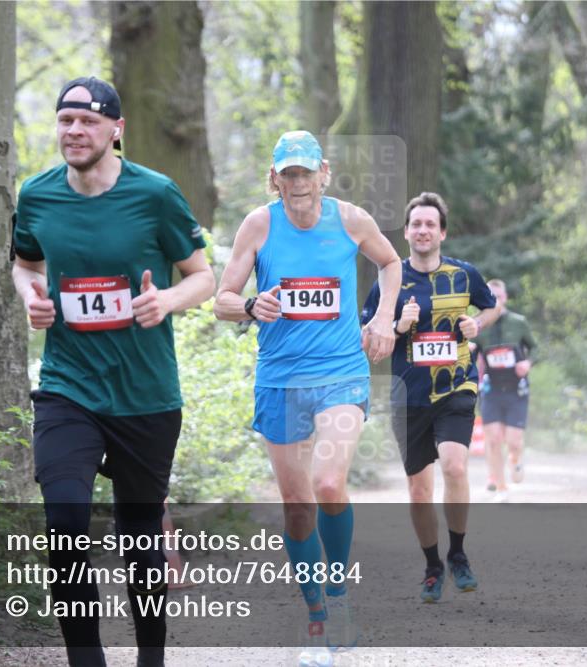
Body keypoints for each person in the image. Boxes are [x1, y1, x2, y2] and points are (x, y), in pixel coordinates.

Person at [11, 76, 215, 667]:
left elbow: (202, 275)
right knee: (65, 523)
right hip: (67, 388)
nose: (75, 131)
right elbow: (24, 265)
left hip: (145, 393)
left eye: (89, 121)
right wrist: (32, 295)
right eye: (66, 121)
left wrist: (166, 302)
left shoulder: (155, 194)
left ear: (116, 130)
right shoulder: (38, 195)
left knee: (141, 542)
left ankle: (151, 657)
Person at [214, 130, 400, 666]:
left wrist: (382, 318)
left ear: (325, 173)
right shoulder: (258, 224)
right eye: (287, 174)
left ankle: (338, 602)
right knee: (297, 508)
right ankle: (316, 613)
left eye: (305, 172)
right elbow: (222, 300)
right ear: (275, 179)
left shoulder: (350, 219)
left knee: (326, 483)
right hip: (280, 378)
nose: (298, 183)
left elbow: (391, 264)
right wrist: (251, 306)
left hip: (341, 371)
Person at [361, 192, 500, 603]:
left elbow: (489, 309)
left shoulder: (464, 275)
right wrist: (398, 325)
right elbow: (370, 342)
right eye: (416, 224)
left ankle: (457, 554)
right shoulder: (390, 281)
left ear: (442, 232)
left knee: (455, 466)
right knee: (419, 490)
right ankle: (432, 565)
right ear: (405, 233)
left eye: (430, 225)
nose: (423, 231)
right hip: (408, 396)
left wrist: (477, 324)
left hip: (456, 384)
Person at [476, 279, 538, 502]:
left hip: (516, 389)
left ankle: (515, 458)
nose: (496, 302)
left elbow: (535, 348)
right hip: (492, 389)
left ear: (506, 298)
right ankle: (501, 487)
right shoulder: (479, 326)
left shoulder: (518, 322)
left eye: (499, 297)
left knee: (513, 441)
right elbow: (472, 357)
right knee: (492, 439)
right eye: (491, 297)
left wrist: (528, 363)